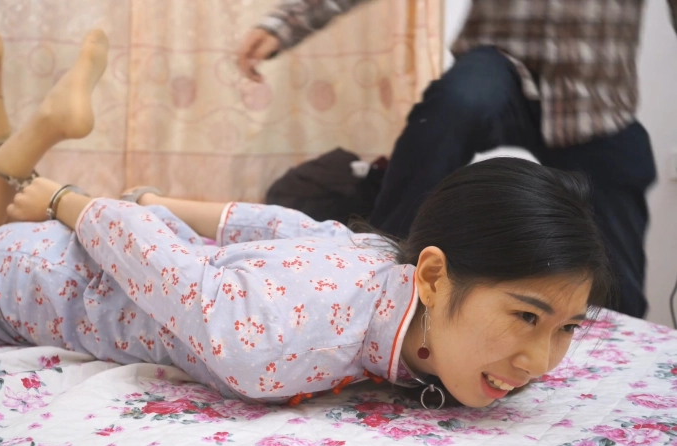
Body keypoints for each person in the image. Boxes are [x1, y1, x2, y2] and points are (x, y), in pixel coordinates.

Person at [0, 27, 616, 409]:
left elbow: (276, 223)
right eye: (527, 318)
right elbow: (172, 275)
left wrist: (155, 204)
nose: (540, 363)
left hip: (102, 243)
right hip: (47, 280)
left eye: (565, 328)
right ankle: (32, 128)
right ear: (432, 274)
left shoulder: (377, 256)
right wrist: (66, 201)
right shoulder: (278, 349)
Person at [237, 0, 677, 319]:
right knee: (453, 105)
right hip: (501, 63)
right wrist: (286, 24)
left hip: (595, 98)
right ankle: (380, 273)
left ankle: (623, 341)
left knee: (623, 199)